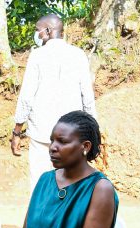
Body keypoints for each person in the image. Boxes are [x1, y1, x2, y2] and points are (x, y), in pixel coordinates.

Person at [11, 14, 97, 191]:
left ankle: (40, 217)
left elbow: (26, 96)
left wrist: (17, 131)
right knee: (71, 184)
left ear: (48, 31)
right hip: (72, 134)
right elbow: (87, 97)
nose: (37, 34)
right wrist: (93, 130)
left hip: (42, 133)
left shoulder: (37, 56)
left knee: (40, 185)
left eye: (38, 30)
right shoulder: (78, 55)